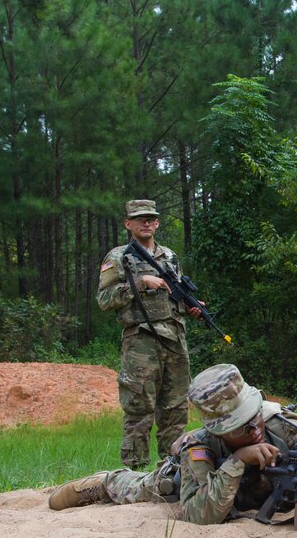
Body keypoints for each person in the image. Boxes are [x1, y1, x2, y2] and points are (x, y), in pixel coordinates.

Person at [48, 364, 297, 524]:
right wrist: (238, 459)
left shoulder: (288, 429)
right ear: (219, 431)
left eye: (254, 417)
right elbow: (197, 516)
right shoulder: (202, 446)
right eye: (239, 427)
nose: (254, 429)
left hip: (260, 495)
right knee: (157, 486)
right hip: (201, 483)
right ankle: (103, 483)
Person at [97, 199, 201, 469]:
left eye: (151, 218)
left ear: (157, 222)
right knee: (139, 411)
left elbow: (175, 294)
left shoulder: (169, 256)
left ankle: (173, 471)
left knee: (175, 411)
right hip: (141, 341)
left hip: (175, 340)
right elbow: (104, 299)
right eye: (140, 218)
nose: (146, 222)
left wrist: (192, 307)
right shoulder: (119, 257)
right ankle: (134, 473)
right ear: (128, 223)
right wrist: (140, 284)